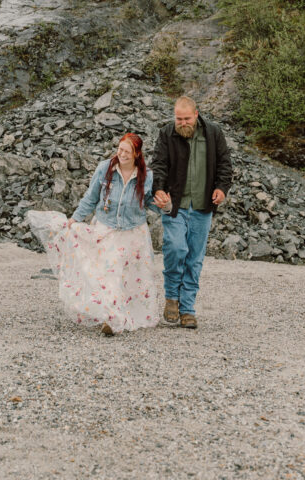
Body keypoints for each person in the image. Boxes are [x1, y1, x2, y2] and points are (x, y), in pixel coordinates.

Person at [27, 133, 169, 336]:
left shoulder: (147, 176)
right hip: (106, 230)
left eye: (127, 151)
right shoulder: (105, 169)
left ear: (137, 154)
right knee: (108, 274)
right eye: (120, 149)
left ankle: (124, 314)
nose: (122, 154)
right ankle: (110, 319)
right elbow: (91, 197)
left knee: (128, 278)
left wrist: (166, 206)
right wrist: (74, 219)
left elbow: (150, 204)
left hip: (134, 234)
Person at [151, 96, 232, 329]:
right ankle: (171, 298)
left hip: (202, 206)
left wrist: (221, 188)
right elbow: (159, 164)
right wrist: (159, 189)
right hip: (174, 204)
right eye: (178, 118)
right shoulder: (167, 133)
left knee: (194, 259)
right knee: (175, 249)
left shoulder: (213, 133)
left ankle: (187, 308)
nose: (182, 123)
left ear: (196, 115)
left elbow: (225, 164)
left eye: (186, 119)